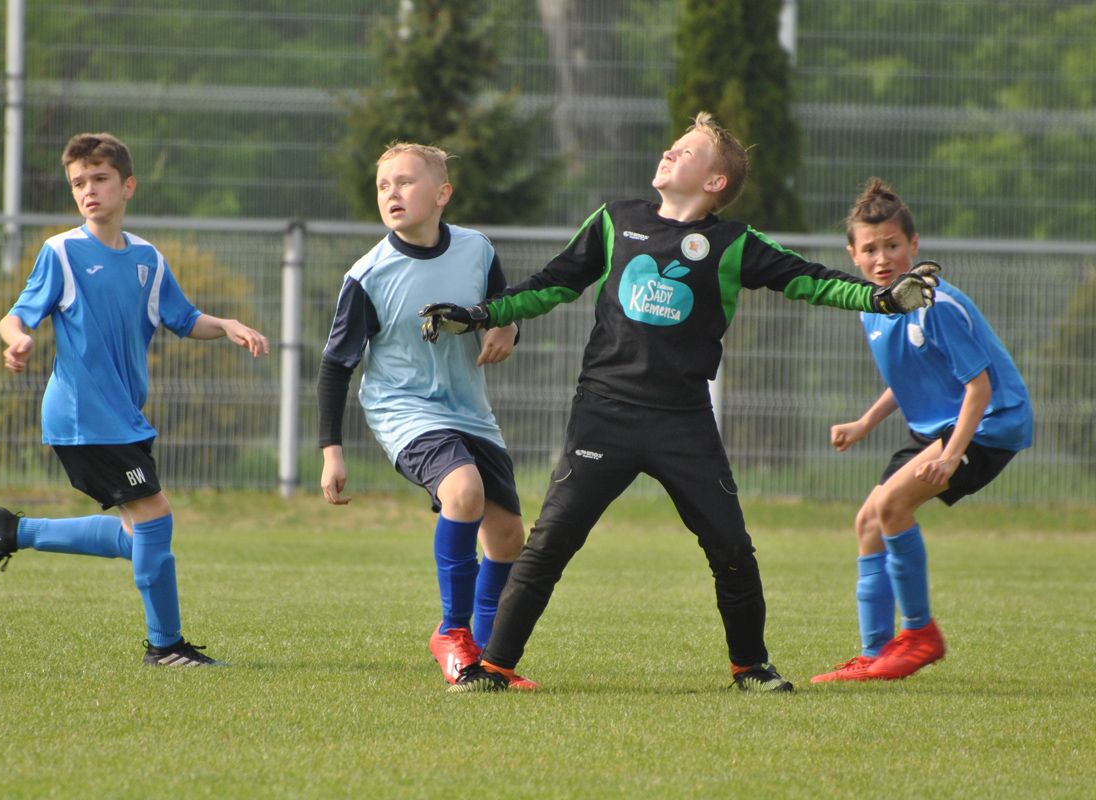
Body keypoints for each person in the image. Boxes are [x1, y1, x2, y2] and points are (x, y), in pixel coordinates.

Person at [419, 112, 940, 693]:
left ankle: (751, 667)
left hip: (684, 422)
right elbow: (551, 283)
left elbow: (811, 279)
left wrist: (881, 299)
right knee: (550, 543)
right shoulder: (616, 220)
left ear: (715, 181)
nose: (669, 152)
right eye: (672, 146)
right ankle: (494, 668)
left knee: (731, 548)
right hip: (603, 413)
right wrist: (481, 315)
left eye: (686, 151)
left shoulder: (734, 243)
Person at [0, 132, 270, 667]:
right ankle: (166, 646)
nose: (89, 190)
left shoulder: (148, 258)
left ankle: (11, 530)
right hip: (83, 415)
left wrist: (225, 324)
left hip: (123, 417)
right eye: (78, 182)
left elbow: (182, 318)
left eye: (100, 179)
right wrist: (16, 340)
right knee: (155, 514)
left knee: (138, 535)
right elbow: (15, 316)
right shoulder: (62, 252)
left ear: (128, 186)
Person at [316, 142, 532, 688]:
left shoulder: (477, 250)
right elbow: (336, 366)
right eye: (383, 185)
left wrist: (508, 327)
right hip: (403, 408)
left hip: (470, 409)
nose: (392, 193)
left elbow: (501, 310)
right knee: (463, 491)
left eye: (405, 182)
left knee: (508, 537)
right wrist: (331, 451)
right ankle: (452, 634)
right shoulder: (368, 275)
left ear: (442, 194)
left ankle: (487, 661)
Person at [809, 179, 1032, 683]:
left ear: (914, 244)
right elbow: (913, 373)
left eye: (892, 245)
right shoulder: (875, 306)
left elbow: (979, 388)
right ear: (852, 255)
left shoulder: (936, 305)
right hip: (940, 425)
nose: (882, 258)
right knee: (869, 521)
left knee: (892, 507)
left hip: (989, 423)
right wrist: (865, 422)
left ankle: (919, 635)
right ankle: (874, 654)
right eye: (870, 249)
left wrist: (951, 457)